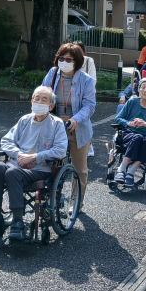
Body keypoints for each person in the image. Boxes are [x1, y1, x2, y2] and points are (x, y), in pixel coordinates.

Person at [0, 86, 68, 240]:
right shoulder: (24, 120)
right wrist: (20, 155)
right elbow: (6, 141)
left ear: (51, 106)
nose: (39, 101)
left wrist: (34, 157)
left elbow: (60, 150)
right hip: (17, 163)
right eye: (36, 98)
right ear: (32, 101)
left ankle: (17, 221)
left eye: (44, 99)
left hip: (40, 169)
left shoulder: (56, 124)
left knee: (12, 173)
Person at [41, 43, 96, 200]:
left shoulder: (86, 80)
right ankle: (51, 198)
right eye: (61, 58)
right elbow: (43, 93)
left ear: (77, 61)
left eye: (69, 59)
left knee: (80, 169)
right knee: (50, 164)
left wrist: (75, 119)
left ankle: (76, 200)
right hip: (54, 126)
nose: (64, 62)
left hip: (78, 128)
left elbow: (89, 105)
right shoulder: (53, 73)